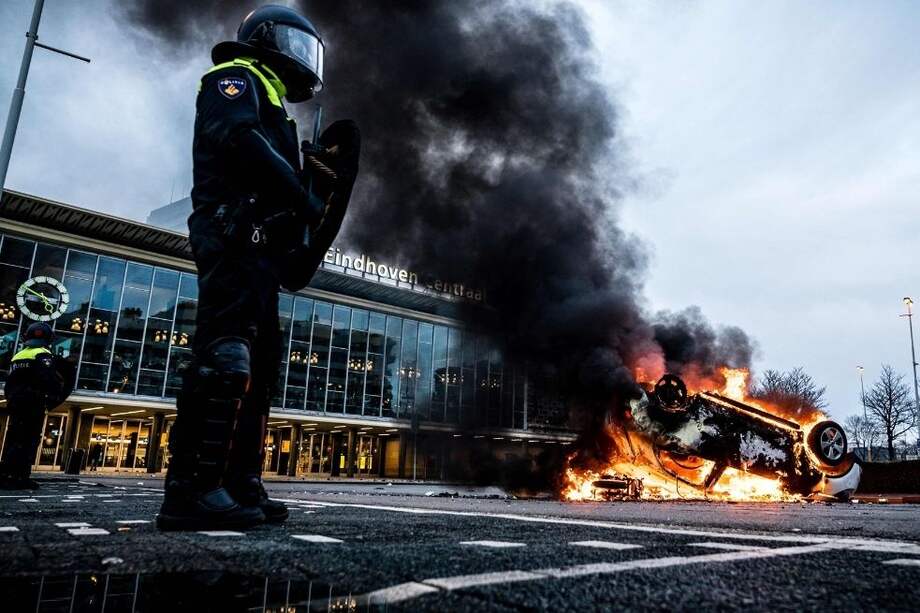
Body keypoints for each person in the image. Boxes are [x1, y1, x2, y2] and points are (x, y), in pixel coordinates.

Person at [157, 5, 360, 531]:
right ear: (265, 38)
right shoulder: (234, 77)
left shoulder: (275, 102)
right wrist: (300, 191)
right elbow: (239, 140)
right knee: (224, 354)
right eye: (294, 42)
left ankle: (240, 481)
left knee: (261, 366)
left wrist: (316, 185)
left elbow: (272, 169)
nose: (301, 57)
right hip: (229, 231)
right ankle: (192, 489)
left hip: (262, 246)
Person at [0, 322, 72, 490]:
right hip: (32, 402)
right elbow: (48, 379)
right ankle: (18, 476)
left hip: (16, 402)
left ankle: (9, 474)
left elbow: (10, 383)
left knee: (15, 438)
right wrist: (53, 396)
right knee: (28, 440)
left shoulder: (19, 355)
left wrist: (10, 399)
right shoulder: (43, 354)